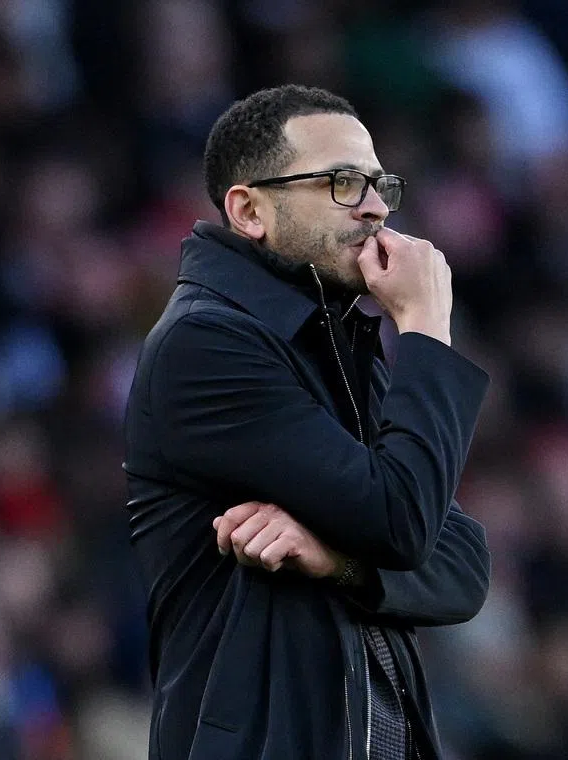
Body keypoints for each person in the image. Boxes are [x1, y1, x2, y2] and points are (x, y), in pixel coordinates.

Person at [122, 84, 491, 760]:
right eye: (344, 183)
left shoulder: (336, 341)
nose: (377, 207)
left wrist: (340, 562)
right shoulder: (207, 346)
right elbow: (404, 522)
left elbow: (465, 564)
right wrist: (427, 330)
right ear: (250, 209)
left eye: (379, 184)